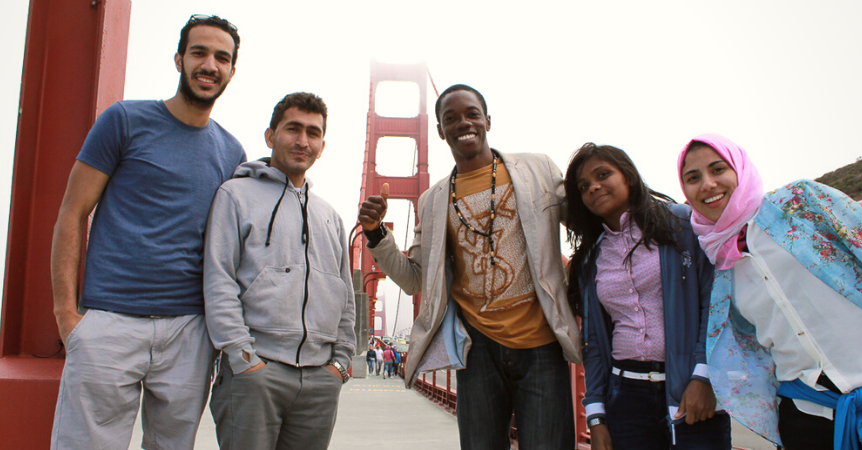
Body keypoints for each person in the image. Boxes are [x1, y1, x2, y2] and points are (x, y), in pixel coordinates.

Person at [49, 14, 245, 450]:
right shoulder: (124, 121)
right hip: (110, 320)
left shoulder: (232, 151)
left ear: (232, 70)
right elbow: (71, 212)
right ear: (179, 59)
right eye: (199, 52)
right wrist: (67, 316)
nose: (209, 65)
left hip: (189, 332)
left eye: (221, 57)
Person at [358, 84, 581, 449]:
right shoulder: (431, 201)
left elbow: (587, 223)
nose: (464, 123)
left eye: (472, 114)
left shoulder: (537, 169)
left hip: (541, 347)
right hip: (477, 353)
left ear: (488, 120)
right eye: (451, 118)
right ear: (440, 131)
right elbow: (416, 280)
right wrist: (375, 233)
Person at [677, 133, 862, 450]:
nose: (708, 184)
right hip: (808, 414)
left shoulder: (801, 202)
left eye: (718, 169)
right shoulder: (718, 263)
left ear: (740, 170)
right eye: (693, 178)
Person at [204, 92, 355, 450]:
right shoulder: (235, 195)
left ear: (322, 145)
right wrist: (243, 359)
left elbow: (346, 295)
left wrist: (341, 364)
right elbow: (218, 278)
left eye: (313, 133)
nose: (303, 141)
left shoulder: (330, 216)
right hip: (256, 373)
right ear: (270, 136)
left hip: (320, 379)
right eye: (293, 129)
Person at [565, 144, 731, 450]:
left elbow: (715, 304)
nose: (594, 188)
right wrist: (596, 414)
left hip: (690, 390)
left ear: (628, 175)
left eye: (603, 175)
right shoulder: (590, 258)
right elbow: (594, 341)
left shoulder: (682, 225)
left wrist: (704, 377)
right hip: (625, 398)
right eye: (584, 186)